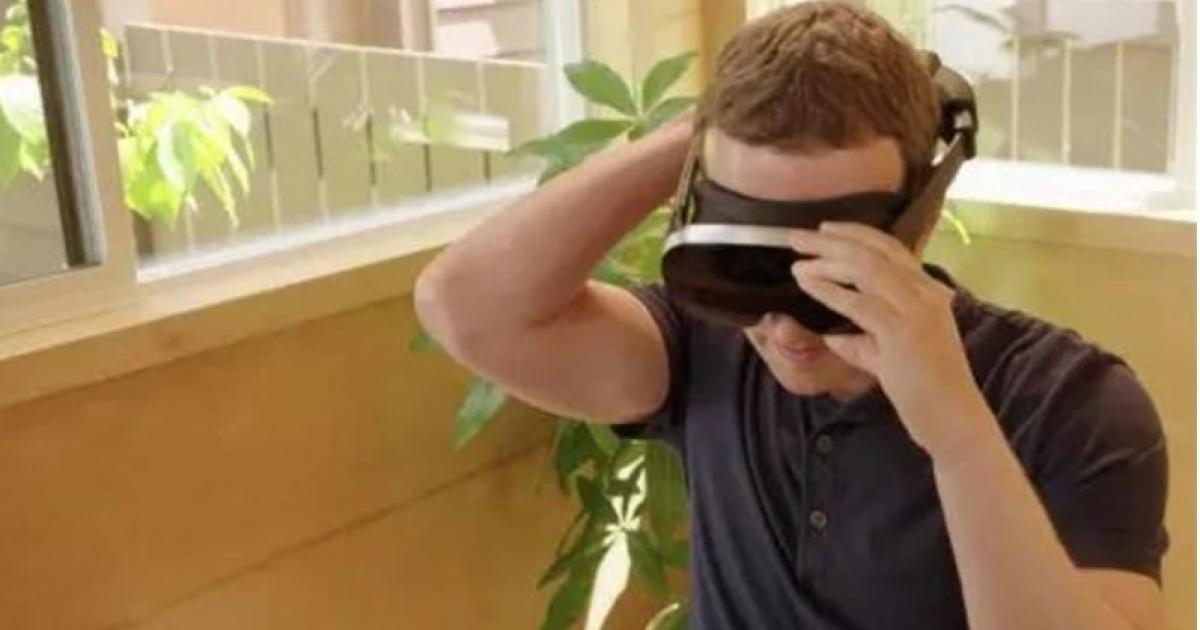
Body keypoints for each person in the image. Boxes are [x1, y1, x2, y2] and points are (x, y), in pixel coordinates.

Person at [413, 3, 1169, 629]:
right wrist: (704, 133)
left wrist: (957, 433)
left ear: (923, 221)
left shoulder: (1070, 402)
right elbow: (465, 307)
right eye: (752, 264)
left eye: (829, 276)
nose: (783, 327)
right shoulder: (702, 348)